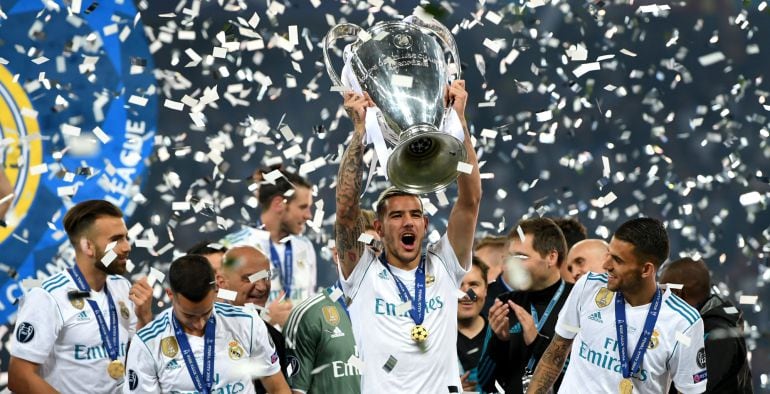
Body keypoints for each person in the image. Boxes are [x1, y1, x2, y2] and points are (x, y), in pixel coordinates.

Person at [335, 80, 481, 393]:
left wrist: (460, 123)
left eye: (415, 215)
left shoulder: (444, 264)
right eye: (397, 216)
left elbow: (470, 200)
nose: (408, 222)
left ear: (425, 224)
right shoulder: (362, 273)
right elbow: (346, 211)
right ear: (378, 227)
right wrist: (360, 132)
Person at [527, 218, 708, 394]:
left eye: (618, 260)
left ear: (646, 269)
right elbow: (555, 352)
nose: (606, 265)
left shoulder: (684, 323)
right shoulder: (588, 287)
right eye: (608, 255)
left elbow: (689, 391)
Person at [9, 200, 153, 393]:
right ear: (88, 247)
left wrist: (144, 317)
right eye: (116, 240)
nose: (127, 247)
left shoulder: (122, 287)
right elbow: (19, 377)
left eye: (126, 237)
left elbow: (137, 358)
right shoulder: (48, 297)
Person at [124, 254, 290, 393]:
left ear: (215, 290)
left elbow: (277, 388)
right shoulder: (146, 343)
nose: (199, 323)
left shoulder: (247, 322)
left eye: (205, 313)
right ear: (170, 295)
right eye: (189, 315)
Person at [477, 217, 571, 393]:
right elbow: (484, 382)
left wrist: (537, 343)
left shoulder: (578, 302)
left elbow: (585, 375)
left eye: (521, 257)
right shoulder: (505, 303)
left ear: (551, 257)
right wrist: (499, 342)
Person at [222, 167, 317, 325]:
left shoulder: (305, 247)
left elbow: (310, 298)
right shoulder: (233, 246)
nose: (309, 215)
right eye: (302, 207)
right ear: (279, 204)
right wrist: (266, 319)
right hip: (255, 346)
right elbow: (220, 309)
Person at [660, 257, 753, 393]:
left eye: (663, 292)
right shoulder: (696, 327)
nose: (659, 300)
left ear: (678, 293)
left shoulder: (718, 336)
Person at [216, 246, 290, 394]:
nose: (262, 287)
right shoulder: (198, 329)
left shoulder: (274, 338)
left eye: (266, 277)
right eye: (250, 278)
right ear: (222, 282)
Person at [457, 257, 489, 393]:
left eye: (474, 285)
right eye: (458, 284)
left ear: (486, 289)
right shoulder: (432, 337)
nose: (466, 294)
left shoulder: (503, 335)